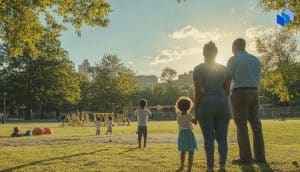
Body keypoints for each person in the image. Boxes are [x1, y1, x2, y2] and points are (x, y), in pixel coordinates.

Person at [193, 41, 231, 172]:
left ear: (203, 53)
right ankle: (222, 166)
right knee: (222, 138)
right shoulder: (225, 69)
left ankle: (210, 167)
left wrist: (196, 110)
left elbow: (198, 91)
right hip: (223, 104)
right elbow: (227, 90)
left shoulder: (198, 69)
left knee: (208, 138)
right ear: (216, 53)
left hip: (206, 103)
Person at [227, 38, 266, 165]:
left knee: (241, 125)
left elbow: (228, 77)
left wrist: (226, 92)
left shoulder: (233, 60)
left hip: (240, 92)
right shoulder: (255, 59)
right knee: (256, 125)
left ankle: (245, 157)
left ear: (235, 47)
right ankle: (260, 156)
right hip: (254, 92)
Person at [175, 96, 197, 172]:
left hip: (181, 134)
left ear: (179, 106)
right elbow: (195, 123)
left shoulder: (178, 116)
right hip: (189, 134)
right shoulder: (189, 115)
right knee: (191, 152)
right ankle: (189, 168)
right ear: (189, 106)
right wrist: (196, 115)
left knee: (183, 151)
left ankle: (182, 165)